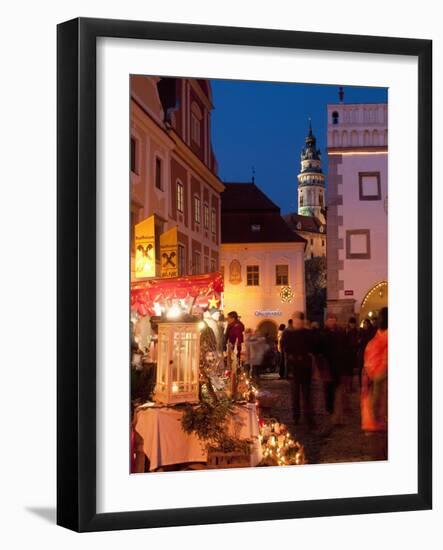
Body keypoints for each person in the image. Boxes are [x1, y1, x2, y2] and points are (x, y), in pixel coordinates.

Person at [282, 311, 314, 428]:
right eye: (294, 320)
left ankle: (308, 417)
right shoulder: (287, 333)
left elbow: (312, 347)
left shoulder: (307, 333)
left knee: (307, 395)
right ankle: (296, 416)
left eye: (298, 320)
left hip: (305, 368)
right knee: (295, 395)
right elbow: (285, 348)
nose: (296, 322)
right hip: (294, 368)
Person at [361, 307, 388, 432]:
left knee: (379, 400)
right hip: (377, 372)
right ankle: (379, 421)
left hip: (380, 373)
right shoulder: (378, 335)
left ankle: (379, 422)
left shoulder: (383, 335)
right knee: (377, 400)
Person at [322, 312, 346, 423]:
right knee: (328, 390)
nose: (331, 321)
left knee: (338, 390)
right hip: (327, 366)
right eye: (329, 319)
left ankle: (337, 415)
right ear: (326, 321)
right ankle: (330, 410)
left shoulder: (340, 332)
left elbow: (344, 348)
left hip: (338, 365)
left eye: (333, 319)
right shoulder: (323, 333)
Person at [358, 318, 376, 386]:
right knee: (361, 368)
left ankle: (369, 382)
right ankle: (361, 383)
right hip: (362, 352)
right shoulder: (361, 331)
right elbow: (359, 342)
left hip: (369, 353)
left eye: (366, 323)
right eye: (364, 323)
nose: (365, 325)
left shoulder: (371, 331)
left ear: (368, 324)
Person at [344, 317, 359, 394]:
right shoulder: (347, 331)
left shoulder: (356, 331)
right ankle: (347, 387)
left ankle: (349, 386)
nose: (352, 324)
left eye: (353, 323)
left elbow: (356, 342)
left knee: (350, 372)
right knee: (348, 372)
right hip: (347, 353)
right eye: (351, 323)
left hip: (352, 353)